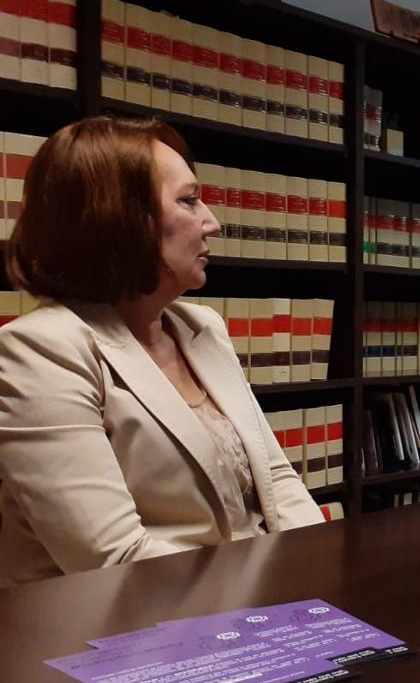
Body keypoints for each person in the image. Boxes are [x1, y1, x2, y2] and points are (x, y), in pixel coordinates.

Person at [0, 117, 323, 588]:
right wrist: (271, 595)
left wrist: (326, 576)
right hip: (114, 639)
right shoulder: (41, 350)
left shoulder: (202, 326)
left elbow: (277, 482)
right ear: (119, 220)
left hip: (249, 611)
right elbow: (114, 559)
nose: (213, 221)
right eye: (189, 201)